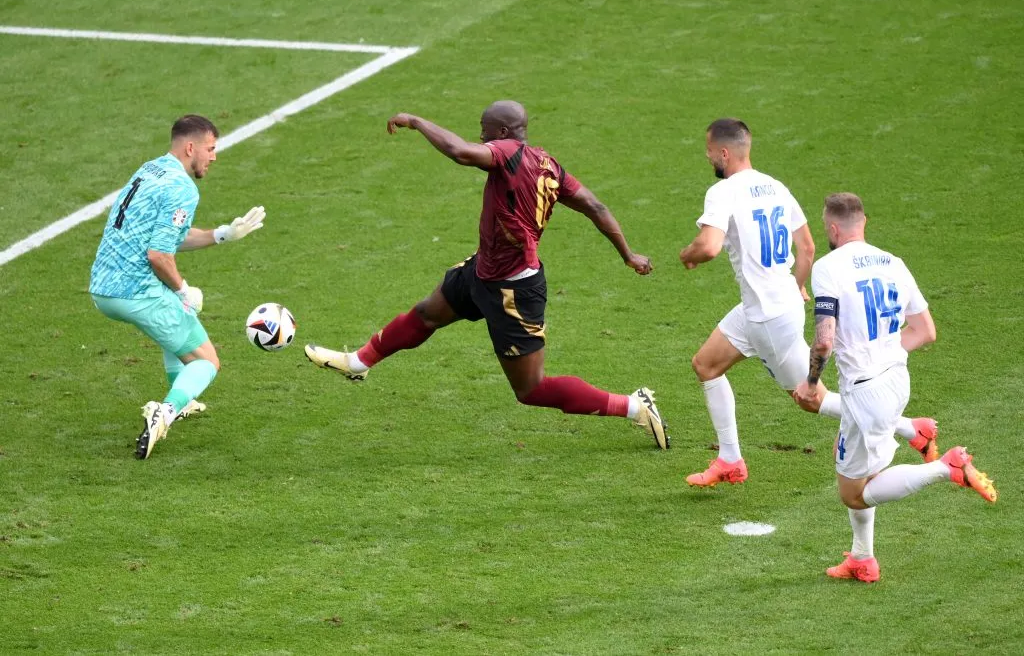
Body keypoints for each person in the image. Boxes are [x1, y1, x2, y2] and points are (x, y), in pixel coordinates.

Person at [304, 101, 668, 448]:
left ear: (505, 131)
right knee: (427, 314)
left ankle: (635, 406)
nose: (481, 138)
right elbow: (595, 206)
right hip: (483, 270)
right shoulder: (549, 166)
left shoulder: (506, 152)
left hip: (513, 291)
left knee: (532, 390)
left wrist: (416, 122)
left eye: (484, 131)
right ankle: (359, 362)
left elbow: (461, 153)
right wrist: (628, 254)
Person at [679, 119, 936, 487]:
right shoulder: (777, 187)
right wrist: (797, 286)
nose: (706, 157)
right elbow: (808, 248)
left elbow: (708, 246)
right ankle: (730, 459)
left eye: (708, 150)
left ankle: (911, 430)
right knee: (705, 365)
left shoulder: (723, 192)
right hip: (767, 307)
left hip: (767, 317)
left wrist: (687, 254)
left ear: (724, 152)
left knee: (810, 397)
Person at [794, 192, 996, 582]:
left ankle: (946, 467)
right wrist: (882, 350)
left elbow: (823, 340)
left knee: (853, 491)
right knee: (860, 470)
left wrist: (811, 381)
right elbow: (925, 331)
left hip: (866, 394)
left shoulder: (828, 267)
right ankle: (862, 558)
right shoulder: (894, 263)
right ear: (863, 222)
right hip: (896, 381)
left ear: (833, 229)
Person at [88, 115, 266, 459]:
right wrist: (184, 289)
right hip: (133, 290)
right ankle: (166, 410)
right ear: (190, 147)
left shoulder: (150, 170)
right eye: (210, 148)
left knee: (178, 314)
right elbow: (158, 255)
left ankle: (182, 399)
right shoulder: (183, 188)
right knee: (207, 361)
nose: (213, 156)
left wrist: (223, 234)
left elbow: (165, 237)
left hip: (103, 286)